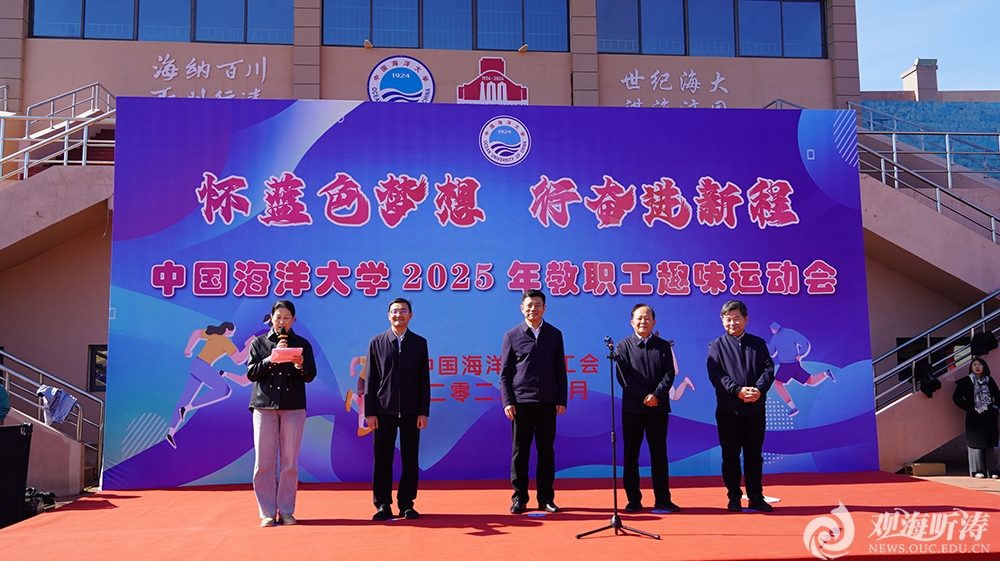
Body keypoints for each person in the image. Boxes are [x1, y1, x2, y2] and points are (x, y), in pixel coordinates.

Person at [246, 300, 317, 527]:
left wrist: (299, 364)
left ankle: (286, 510)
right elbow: (251, 373)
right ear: (271, 319)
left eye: (287, 317)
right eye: (278, 317)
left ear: (293, 320)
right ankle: (267, 512)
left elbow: (310, 376)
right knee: (264, 462)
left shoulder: (302, 344)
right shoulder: (259, 343)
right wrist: (272, 359)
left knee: (289, 462)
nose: (282, 322)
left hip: (293, 408)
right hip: (264, 408)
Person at [500, 289, 567, 514]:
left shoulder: (554, 334)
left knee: (546, 450)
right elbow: (505, 373)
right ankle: (519, 498)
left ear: (544, 308)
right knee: (520, 452)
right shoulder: (512, 335)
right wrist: (508, 401)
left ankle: (546, 498)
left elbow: (560, 370)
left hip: (548, 401)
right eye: (529, 305)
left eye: (537, 305)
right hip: (521, 402)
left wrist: (561, 398)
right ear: (522, 308)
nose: (533, 309)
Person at [365, 298, 430, 521]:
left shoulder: (419, 343)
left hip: (412, 411)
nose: (398, 314)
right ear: (388, 315)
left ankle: (406, 504)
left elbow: (424, 380)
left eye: (403, 311)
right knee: (382, 459)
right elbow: (370, 380)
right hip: (383, 410)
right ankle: (383, 504)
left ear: (410, 315)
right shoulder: (377, 342)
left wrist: (423, 411)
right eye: (394, 311)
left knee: (410, 459)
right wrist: (370, 412)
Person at [707, 300, 775, 513]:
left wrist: (758, 390)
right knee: (730, 456)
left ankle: (756, 496)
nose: (732, 323)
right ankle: (734, 497)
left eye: (736, 318)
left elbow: (769, 369)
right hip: (729, 410)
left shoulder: (758, 343)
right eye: (728, 319)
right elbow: (716, 375)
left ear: (746, 319)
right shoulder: (716, 345)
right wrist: (737, 390)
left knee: (754, 455)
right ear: (722, 321)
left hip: (755, 408)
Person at [615, 303, 681, 513]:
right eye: (639, 318)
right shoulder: (623, 346)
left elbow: (669, 374)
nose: (643, 321)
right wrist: (644, 396)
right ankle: (633, 500)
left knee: (659, 454)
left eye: (647, 318)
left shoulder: (663, 346)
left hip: (658, 408)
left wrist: (656, 396)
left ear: (654, 322)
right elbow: (624, 377)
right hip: (633, 409)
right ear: (632, 322)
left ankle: (663, 498)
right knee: (631, 455)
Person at [166, 321, 253, 448]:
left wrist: (189, 349)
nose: (232, 334)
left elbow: (196, 333)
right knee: (224, 389)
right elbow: (239, 359)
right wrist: (250, 344)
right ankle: (187, 408)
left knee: (185, 397)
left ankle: (171, 433)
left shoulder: (214, 334)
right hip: (203, 366)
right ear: (226, 330)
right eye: (231, 332)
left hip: (196, 364)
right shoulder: (225, 341)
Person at [767, 322, 835, 417]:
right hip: (794, 364)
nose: (772, 331)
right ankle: (826, 373)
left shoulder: (778, 336)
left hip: (787, 365)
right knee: (811, 381)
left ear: (774, 328)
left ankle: (793, 408)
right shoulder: (787, 333)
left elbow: (771, 351)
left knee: (778, 385)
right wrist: (801, 354)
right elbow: (804, 342)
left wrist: (801, 354)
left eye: (772, 330)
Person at [952, 357, 1000, 479]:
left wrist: (995, 407)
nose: (977, 367)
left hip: (988, 416)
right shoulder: (966, 381)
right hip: (975, 415)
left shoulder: (989, 380)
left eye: (980, 364)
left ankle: (991, 471)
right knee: (975, 444)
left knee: (989, 443)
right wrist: (970, 408)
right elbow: (957, 398)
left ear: (984, 367)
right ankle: (977, 471)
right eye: (974, 364)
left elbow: (998, 395)